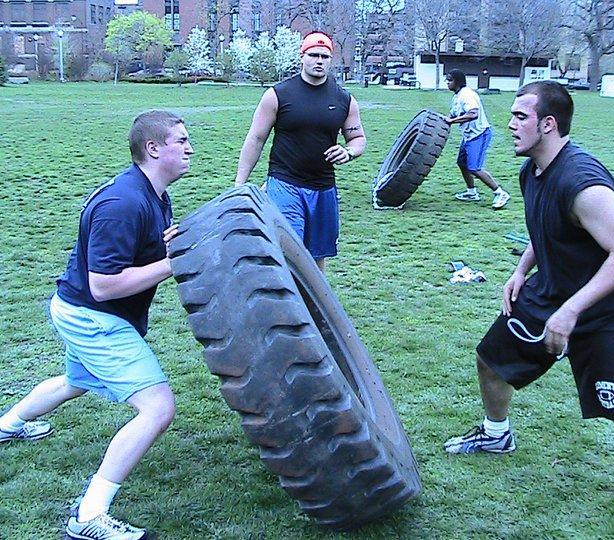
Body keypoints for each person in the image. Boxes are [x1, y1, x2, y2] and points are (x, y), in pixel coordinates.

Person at [443, 81, 614, 537]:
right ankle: (496, 434)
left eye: (520, 117)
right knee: (491, 360)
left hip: (604, 311)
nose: (509, 125)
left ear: (548, 124)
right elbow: (544, 228)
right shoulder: (532, 171)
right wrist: (520, 271)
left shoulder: (582, 182)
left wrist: (570, 312)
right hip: (552, 294)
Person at [0, 110, 193, 539]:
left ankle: (6, 426)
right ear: (153, 148)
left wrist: (167, 248)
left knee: (75, 382)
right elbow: (104, 286)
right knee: (158, 408)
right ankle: (88, 516)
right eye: (181, 141)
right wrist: (171, 263)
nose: (190, 148)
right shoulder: (123, 204)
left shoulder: (154, 195)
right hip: (93, 317)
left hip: (82, 310)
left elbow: (139, 253)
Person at [235, 31, 366, 273]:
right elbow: (256, 138)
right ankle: (284, 296)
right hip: (285, 183)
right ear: (302, 57)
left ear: (331, 60)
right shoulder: (278, 94)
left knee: (317, 256)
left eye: (325, 57)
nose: (319, 61)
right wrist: (240, 184)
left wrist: (348, 152)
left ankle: (314, 298)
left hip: (323, 187)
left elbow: (358, 139)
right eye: (313, 55)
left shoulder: (344, 100)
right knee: (289, 251)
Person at [444, 69, 510, 209]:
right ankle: (472, 192)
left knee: (474, 168)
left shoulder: (467, 95)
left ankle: (500, 193)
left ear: (457, 81)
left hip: (479, 134)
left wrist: (452, 121)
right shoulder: (456, 97)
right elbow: (452, 116)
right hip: (468, 136)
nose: (447, 83)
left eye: (450, 80)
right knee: (462, 163)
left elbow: (473, 114)